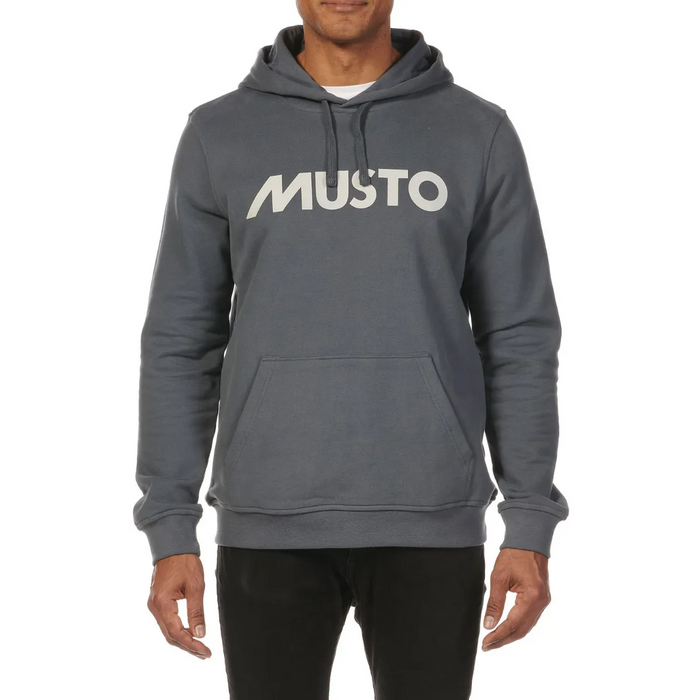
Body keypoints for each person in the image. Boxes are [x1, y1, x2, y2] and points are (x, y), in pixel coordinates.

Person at [133, 1, 570, 697]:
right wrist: (170, 526)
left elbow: (518, 335)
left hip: (432, 519)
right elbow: (181, 341)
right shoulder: (219, 133)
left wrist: (529, 520)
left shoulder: (476, 131)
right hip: (266, 521)